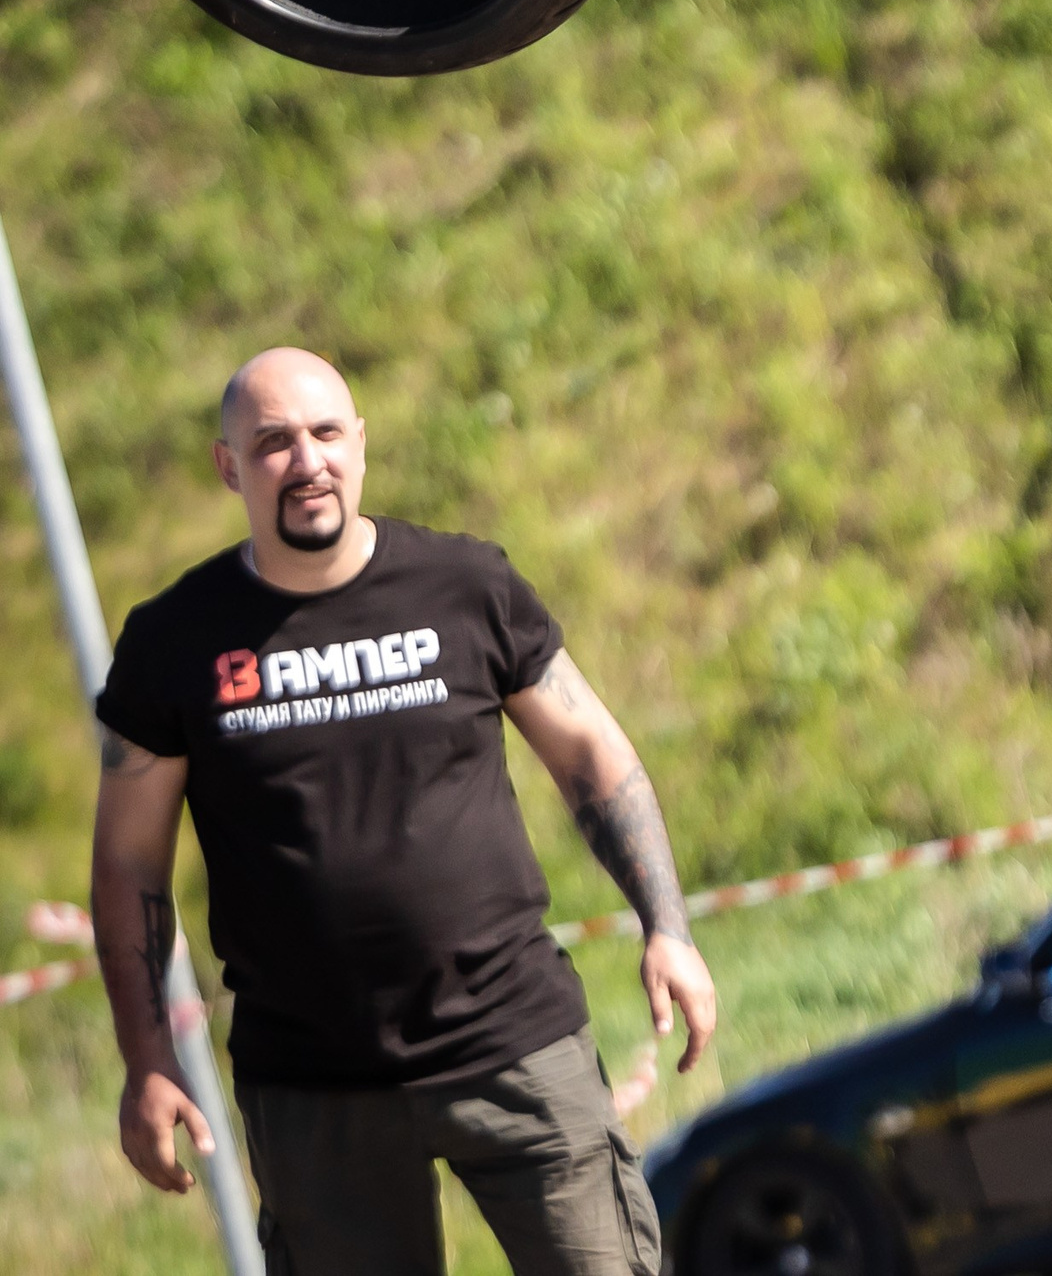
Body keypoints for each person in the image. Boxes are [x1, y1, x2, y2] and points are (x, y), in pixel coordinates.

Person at [90, 347, 716, 1276]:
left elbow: (594, 755)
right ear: (229, 467)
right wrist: (147, 1059)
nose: (307, 461)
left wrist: (667, 924)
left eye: (326, 433)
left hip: (514, 1042)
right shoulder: (175, 639)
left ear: (360, 446)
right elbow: (129, 866)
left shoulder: (465, 586)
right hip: (313, 1088)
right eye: (272, 443)